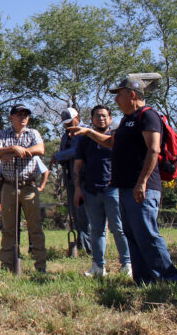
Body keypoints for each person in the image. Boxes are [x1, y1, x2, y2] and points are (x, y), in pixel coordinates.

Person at [70, 76, 177, 285]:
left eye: (119, 94)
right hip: (125, 188)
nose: (116, 99)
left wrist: (142, 182)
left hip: (142, 189)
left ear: (132, 94)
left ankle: (169, 279)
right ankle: (144, 280)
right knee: (132, 234)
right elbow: (112, 141)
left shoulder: (147, 116)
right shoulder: (127, 121)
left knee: (147, 234)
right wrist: (89, 132)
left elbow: (153, 149)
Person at [72, 105, 132, 277]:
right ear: (91, 120)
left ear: (110, 119)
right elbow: (78, 165)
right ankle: (98, 266)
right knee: (97, 230)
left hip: (113, 188)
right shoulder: (84, 140)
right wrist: (78, 188)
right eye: (97, 116)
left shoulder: (116, 136)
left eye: (104, 116)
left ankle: (126, 264)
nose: (101, 119)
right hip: (91, 190)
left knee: (118, 228)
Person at [0, 104, 47, 273]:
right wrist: (11, 148)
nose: (23, 117)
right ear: (11, 117)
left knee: (35, 227)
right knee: (9, 229)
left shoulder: (33, 133)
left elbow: (40, 149)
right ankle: (7, 266)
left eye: (26, 115)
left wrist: (16, 152)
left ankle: (40, 267)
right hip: (8, 187)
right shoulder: (2, 134)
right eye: (19, 114)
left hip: (29, 187)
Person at [51, 107, 91, 254]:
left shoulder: (85, 131)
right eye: (65, 123)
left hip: (84, 178)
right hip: (69, 178)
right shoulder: (65, 136)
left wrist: (58, 156)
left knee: (85, 213)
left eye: (69, 122)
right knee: (75, 213)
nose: (67, 125)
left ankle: (89, 247)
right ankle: (80, 244)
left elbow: (76, 151)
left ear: (77, 118)